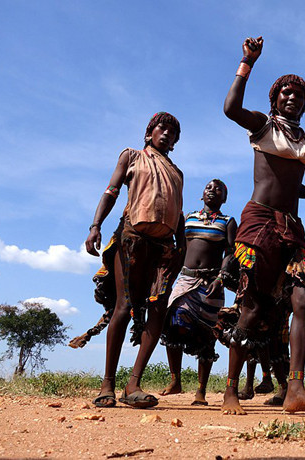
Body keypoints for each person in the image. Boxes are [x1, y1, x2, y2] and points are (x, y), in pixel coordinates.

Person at [216, 36, 305, 415]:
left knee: (303, 299)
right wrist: (246, 62)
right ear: (274, 98)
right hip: (259, 221)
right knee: (250, 307)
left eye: (298, 95)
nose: (291, 98)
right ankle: (231, 390)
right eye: (285, 92)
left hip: (291, 226)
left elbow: (291, 185)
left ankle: (296, 388)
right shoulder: (264, 126)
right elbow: (230, 108)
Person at [71, 112, 185, 409]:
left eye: (174, 133)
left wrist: (181, 247)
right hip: (132, 238)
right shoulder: (132, 156)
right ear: (149, 133)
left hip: (163, 247)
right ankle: (107, 383)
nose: (168, 135)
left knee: (158, 309)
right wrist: (95, 226)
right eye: (163, 128)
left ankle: (133, 383)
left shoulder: (177, 172)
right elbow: (111, 190)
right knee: (124, 305)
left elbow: (179, 212)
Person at [159, 179, 237, 406]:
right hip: (186, 278)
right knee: (172, 321)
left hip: (212, 281)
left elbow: (231, 253)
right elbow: (179, 247)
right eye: (208, 188)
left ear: (224, 198)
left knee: (207, 334)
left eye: (219, 190)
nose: (212, 191)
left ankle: (201, 392)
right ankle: (176, 380)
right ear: (201, 195)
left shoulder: (227, 222)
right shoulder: (188, 218)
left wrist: (222, 278)